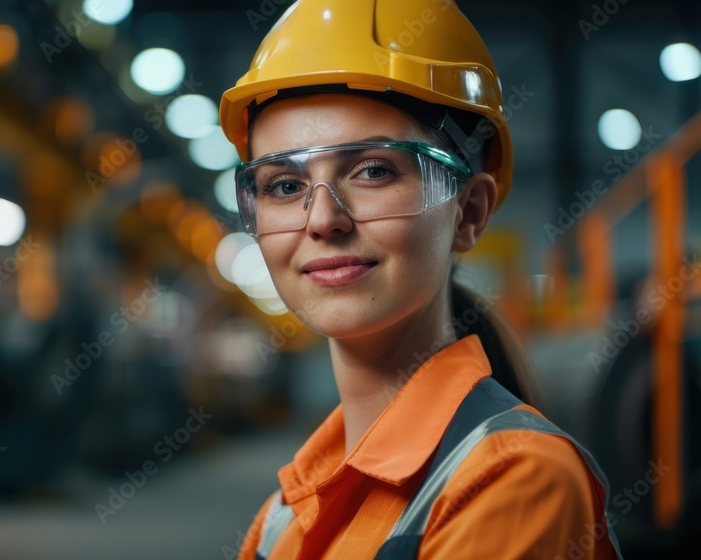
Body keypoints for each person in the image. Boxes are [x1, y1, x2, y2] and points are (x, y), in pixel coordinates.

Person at [218, 0, 623, 558]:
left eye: (373, 171)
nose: (322, 220)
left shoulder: (513, 479)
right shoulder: (284, 514)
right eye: (283, 186)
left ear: (469, 212)